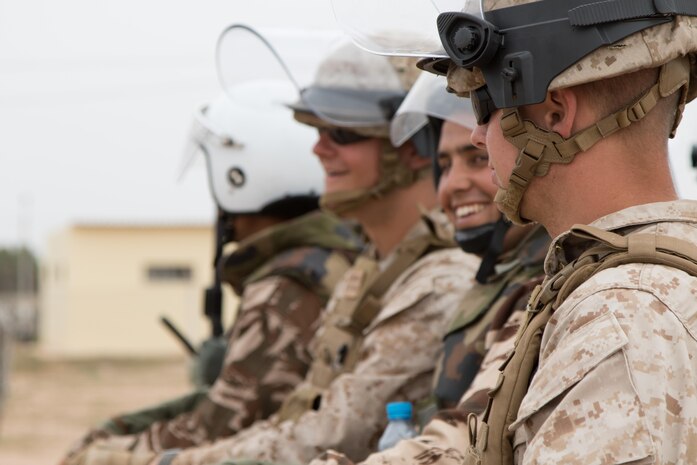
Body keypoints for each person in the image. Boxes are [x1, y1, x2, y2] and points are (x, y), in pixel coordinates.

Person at [71, 32, 485, 465]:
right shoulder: (372, 269)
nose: (319, 149)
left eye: (342, 132)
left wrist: (169, 462)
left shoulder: (440, 277)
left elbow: (340, 431)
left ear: (415, 144)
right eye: (318, 130)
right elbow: (301, 413)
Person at [331, 0, 697, 463]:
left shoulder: (618, 319)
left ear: (551, 113)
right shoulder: (638, 285)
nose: (476, 135)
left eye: (483, 103)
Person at [61, 85, 364, 464]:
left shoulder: (284, 288)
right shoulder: (339, 257)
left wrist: (100, 452)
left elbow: (217, 429)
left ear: (243, 175)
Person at [309, 73, 549, 465]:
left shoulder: (545, 284)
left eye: (477, 159)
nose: (453, 184)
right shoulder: (496, 282)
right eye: (444, 165)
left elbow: (467, 433)